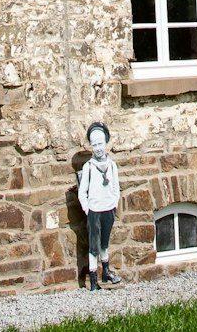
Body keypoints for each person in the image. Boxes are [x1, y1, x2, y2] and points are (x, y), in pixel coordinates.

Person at [77, 121, 122, 289]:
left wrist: (114, 202)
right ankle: (94, 278)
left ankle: (106, 272)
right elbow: (82, 192)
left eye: (100, 144)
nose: (97, 148)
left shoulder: (111, 165)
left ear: (106, 144)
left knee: (104, 243)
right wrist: (88, 209)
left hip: (108, 209)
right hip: (95, 211)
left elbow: (116, 187)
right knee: (93, 246)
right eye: (94, 145)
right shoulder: (88, 167)